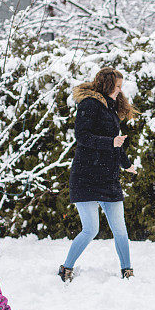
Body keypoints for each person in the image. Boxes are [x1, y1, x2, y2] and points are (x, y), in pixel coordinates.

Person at [59, 67, 138, 282]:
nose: (120, 91)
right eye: (117, 86)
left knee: (120, 229)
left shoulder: (110, 110)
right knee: (91, 229)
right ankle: (66, 267)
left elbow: (116, 142)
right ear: (107, 84)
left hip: (108, 178)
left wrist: (126, 164)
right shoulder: (89, 105)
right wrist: (109, 142)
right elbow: (82, 137)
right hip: (85, 176)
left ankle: (127, 270)